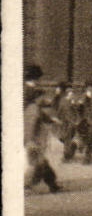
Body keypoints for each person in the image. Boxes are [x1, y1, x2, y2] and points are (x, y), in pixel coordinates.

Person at [23, 64, 62, 194]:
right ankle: (28, 184)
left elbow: (38, 111)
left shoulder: (28, 93)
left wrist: (50, 119)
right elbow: (36, 113)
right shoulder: (29, 93)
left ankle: (51, 183)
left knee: (39, 158)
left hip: (32, 129)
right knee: (37, 159)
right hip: (31, 131)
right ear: (35, 78)